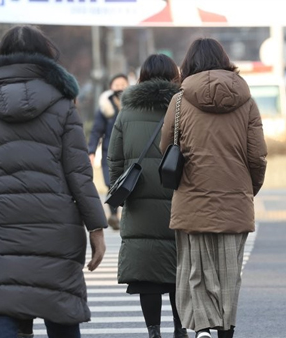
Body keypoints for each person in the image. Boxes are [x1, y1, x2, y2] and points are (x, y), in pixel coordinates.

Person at [0, 25, 107, 338]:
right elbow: (79, 174)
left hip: (0, 228)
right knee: (60, 309)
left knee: (0, 307)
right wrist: (96, 229)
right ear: (45, 57)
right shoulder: (63, 106)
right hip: (56, 228)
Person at [160, 38, 267, 338]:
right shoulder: (246, 100)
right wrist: (249, 189)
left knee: (196, 269)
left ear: (188, 63)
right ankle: (224, 332)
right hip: (235, 199)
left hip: (191, 199)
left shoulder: (179, 101)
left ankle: (203, 328)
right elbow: (257, 155)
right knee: (229, 274)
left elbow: (166, 148)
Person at [107, 54, 186, 338]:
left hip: (139, 201)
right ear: (174, 76)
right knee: (178, 271)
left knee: (147, 273)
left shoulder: (126, 112)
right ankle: (181, 328)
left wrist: (121, 185)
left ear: (141, 77)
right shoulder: (182, 108)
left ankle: (153, 331)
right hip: (178, 199)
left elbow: (114, 159)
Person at [88, 74, 129, 230]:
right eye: (117, 84)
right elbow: (96, 131)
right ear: (111, 86)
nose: (120, 87)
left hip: (128, 151)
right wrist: (91, 151)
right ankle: (113, 215)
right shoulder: (105, 106)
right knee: (110, 183)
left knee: (127, 183)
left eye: (123, 84)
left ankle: (124, 217)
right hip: (109, 151)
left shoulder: (132, 104)